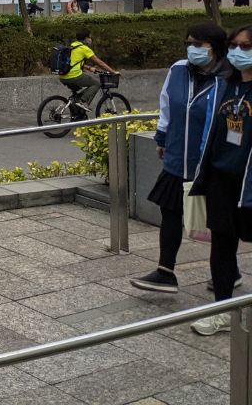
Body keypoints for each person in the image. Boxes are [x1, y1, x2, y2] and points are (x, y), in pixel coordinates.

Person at [130, 22, 233, 294]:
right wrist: (162, 138)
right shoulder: (178, 69)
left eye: (198, 44)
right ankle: (165, 271)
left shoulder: (229, 78)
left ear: (216, 47)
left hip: (212, 163)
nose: (192, 49)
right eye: (188, 43)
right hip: (177, 155)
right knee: (171, 211)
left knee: (218, 220)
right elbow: (166, 105)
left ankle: (228, 272)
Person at [187, 24, 252, 335]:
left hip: (249, 182)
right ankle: (223, 310)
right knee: (222, 246)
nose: (238, 52)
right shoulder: (227, 84)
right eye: (234, 46)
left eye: (246, 47)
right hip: (222, 179)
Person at [59, 28, 120, 109]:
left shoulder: (72, 45)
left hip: (63, 76)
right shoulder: (84, 49)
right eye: (89, 37)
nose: (90, 39)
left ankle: (76, 107)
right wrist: (113, 72)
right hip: (74, 76)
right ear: (86, 38)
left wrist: (89, 68)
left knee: (77, 94)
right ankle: (81, 101)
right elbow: (99, 63)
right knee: (96, 84)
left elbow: (73, 63)